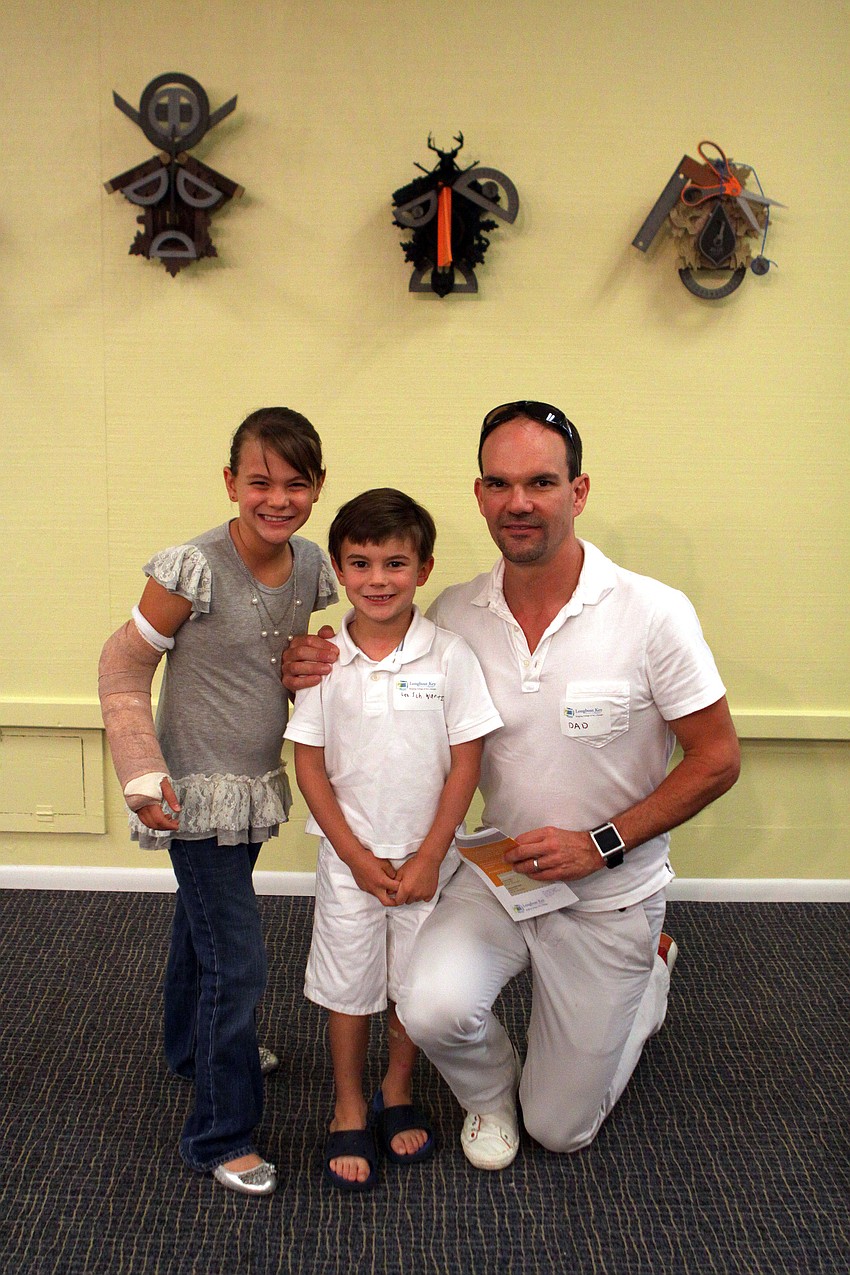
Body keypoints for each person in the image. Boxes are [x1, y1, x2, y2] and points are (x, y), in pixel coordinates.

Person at [283, 400, 741, 1171]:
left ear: (579, 490)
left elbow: (717, 757)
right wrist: (305, 657)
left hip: (609, 889)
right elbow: (378, 657)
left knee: (562, 1128)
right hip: (498, 874)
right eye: (500, 483)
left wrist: (601, 843)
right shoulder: (457, 611)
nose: (519, 502)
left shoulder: (653, 613)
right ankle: (490, 1095)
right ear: (480, 494)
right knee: (427, 1004)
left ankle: (646, 980)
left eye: (540, 481)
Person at [98, 406, 337, 1196]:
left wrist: (312, 660)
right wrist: (140, 770)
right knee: (238, 961)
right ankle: (219, 1133)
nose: (277, 497)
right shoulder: (190, 567)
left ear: (317, 488)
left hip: (253, 790)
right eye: (259, 480)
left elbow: (284, 658)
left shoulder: (309, 565)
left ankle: (186, 1048)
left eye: (295, 483)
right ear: (230, 481)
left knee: (200, 932)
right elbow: (121, 665)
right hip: (193, 797)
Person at [283, 488, 503, 1191]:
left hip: (424, 863)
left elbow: (466, 761)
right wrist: (352, 853)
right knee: (349, 989)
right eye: (361, 562)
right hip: (350, 860)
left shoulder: (450, 656)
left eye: (396, 562)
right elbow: (309, 763)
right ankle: (349, 1100)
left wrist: (433, 854)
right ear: (341, 572)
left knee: (411, 989)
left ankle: (396, 1089)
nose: (379, 578)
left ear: (424, 567)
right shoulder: (324, 660)